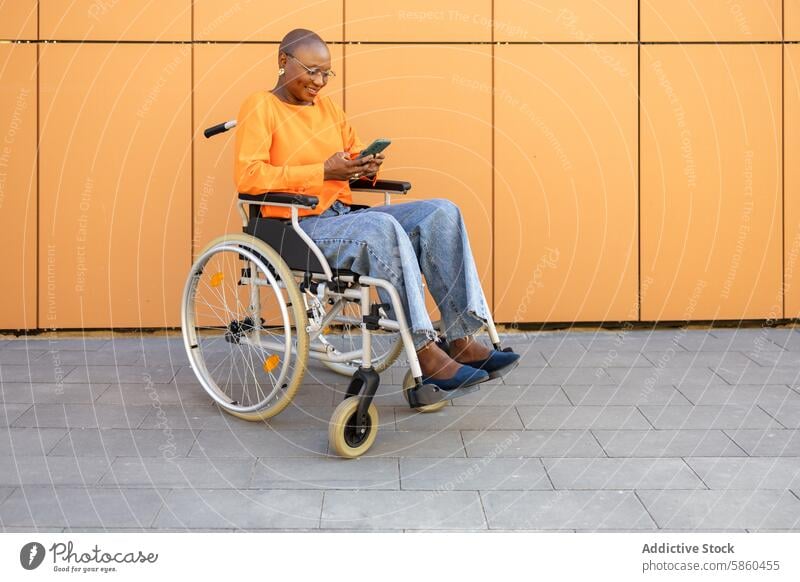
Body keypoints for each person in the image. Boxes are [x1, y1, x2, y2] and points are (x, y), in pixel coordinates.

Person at [234, 29, 519, 390]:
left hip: (343, 217)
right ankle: (425, 351)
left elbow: (349, 157)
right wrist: (322, 171)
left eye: (326, 73)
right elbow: (249, 177)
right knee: (380, 228)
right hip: (300, 226)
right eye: (312, 71)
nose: (320, 81)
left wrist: (365, 167)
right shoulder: (260, 106)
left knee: (442, 212)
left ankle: (459, 338)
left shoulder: (328, 110)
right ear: (282, 61)